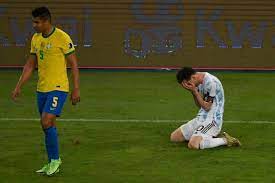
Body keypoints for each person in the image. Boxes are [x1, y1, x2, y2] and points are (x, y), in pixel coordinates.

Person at [11, 7, 80, 176]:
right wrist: (19, 86)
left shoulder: (62, 37)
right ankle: (51, 162)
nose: (34, 25)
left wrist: (76, 88)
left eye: (37, 22)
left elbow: (74, 64)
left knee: (46, 121)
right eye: (33, 22)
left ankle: (55, 160)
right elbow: (30, 65)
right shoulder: (35, 39)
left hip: (58, 87)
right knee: (47, 126)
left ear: (46, 21)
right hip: (41, 89)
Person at [170, 67, 241, 149]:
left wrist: (195, 91)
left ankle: (226, 140)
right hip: (201, 118)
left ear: (193, 77)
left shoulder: (211, 82)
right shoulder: (197, 81)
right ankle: (205, 136)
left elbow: (207, 107)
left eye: (188, 83)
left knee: (193, 145)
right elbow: (200, 105)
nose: (188, 86)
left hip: (212, 120)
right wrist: (193, 92)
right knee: (175, 137)